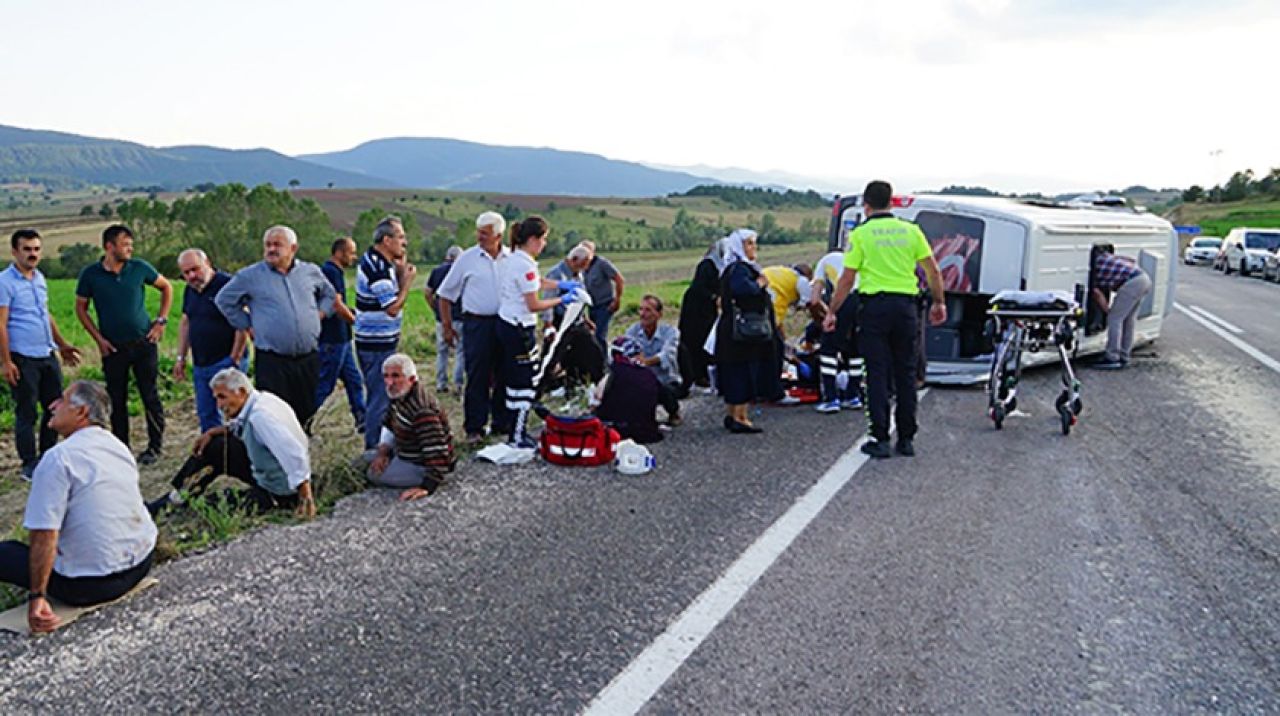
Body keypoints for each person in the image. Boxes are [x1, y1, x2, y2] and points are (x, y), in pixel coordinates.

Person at [0, 381, 156, 634]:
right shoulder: (118, 446)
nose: (52, 405)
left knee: (7, 552)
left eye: (61, 400)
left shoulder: (58, 458)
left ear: (82, 412)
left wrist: (37, 596)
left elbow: (44, 533)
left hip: (90, 586)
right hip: (140, 564)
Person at [825, 180, 946, 459]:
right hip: (906, 308)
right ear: (891, 202)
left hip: (874, 309)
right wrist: (939, 302)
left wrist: (833, 311)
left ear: (866, 206)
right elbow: (933, 270)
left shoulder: (862, 235)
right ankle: (906, 438)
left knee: (876, 373)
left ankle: (880, 437)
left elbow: (847, 278)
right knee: (905, 372)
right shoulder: (911, 231)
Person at [147, 368, 316, 518]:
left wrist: (305, 495)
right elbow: (241, 425)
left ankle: (177, 505)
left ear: (241, 392)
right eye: (216, 399)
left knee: (217, 504)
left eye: (222, 397)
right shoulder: (261, 400)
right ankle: (177, 497)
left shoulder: (261, 417)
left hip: (281, 489)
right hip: (269, 471)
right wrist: (213, 432)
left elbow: (292, 452)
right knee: (215, 446)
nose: (219, 405)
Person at [215, 225, 336, 429]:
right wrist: (248, 324)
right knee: (275, 414)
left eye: (277, 244)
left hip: (308, 358)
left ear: (293, 248)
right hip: (273, 361)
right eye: (268, 245)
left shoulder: (310, 271)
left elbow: (329, 295)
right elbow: (224, 300)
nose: (271, 249)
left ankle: (300, 450)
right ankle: (275, 455)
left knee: (306, 410)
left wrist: (321, 314)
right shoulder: (250, 276)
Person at [74, 224, 173, 464]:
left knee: (149, 395)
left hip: (144, 343)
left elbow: (166, 287)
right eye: (125, 244)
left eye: (131, 244)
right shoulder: (90, 275)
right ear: (109, 246)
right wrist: (99, 340)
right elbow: (81, 309)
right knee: (116, 400)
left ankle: (155, 446)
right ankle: (121, 449)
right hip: (113, 348)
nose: (130, 248)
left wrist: (161, 321)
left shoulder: (139, 268)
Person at [0, 229, 82, 479]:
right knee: (27, 412)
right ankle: (29, 464)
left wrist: (62, 345)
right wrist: (6, 362)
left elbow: (45, 315)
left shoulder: (39, 278)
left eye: (36, 249)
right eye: (27, 249)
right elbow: (0, 324)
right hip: (22, 357)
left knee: (54, 408)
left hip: (46, 353)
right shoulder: (5, 282)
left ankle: (48, 457)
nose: (32, 254)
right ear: (15, 252)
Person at [496, 216, 579, 448]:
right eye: (543, 240)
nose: (544, 245)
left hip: (507, 324)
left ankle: (513, 427)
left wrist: (559, 285)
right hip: (519, 327)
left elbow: (536, 283)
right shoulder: (524, 263)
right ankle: (517, 434)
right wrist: (562, 300)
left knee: (514, 378)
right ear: (532, 239)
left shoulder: (516, 259)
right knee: (523, 381)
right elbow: (533, 303)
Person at [436, 212, 512, 445]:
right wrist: (447, 327)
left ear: (498, 235)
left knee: (504, 373)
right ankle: (474, 427)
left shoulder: (513, 258)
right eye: (478, 232)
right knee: (477, 374)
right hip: (477, 324)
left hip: (505, 322)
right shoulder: (467, 259)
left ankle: (501, 422)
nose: (479, 237)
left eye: (485, 233)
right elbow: (445, 294)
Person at [354, 216, 417, 452]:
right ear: (387, 240)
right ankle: (373, 451)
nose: (405, 242)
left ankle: (383, 444)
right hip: (375, 345)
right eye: (400, 237)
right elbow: (391, 308)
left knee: (383, 397)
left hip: (379, 342)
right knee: (379, 400)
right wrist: (408, 282)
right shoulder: (377, 268)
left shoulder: (380, 262)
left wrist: (400, 272)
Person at [172, 248, 248, 434]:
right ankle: (215, 454)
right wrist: (181, 358)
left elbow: (242, 322)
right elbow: (186, 322)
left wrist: (234, 358)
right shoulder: (190, 291)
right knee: (206, 414)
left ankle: (239, 454)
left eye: (195, 269)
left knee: (234, 411)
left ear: (208, 264)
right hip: (201, 363)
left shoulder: (228, 285)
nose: (191, 276)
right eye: (186, 272)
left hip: (225, 360)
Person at [367, 354, 456, 501]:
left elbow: (437, 450)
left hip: (421, 465)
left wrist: (427, 487)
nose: (389, 382)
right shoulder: (399, 396)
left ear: (412, 379)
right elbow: (389, 424)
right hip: (404, 452)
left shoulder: (422, 410)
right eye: (386, 376)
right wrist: (383, 453)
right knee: (364, 460)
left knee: (372, 473)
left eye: (396, 376)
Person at [714, 229, 776, 434]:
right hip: (742, 332)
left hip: (732, 329)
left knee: (733, 371)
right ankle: (741, 417)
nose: (753, 248)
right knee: (742, 371)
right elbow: (744, 290)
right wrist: (760, 283)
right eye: (749, 243)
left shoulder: (729, 268)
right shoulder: (740, 269)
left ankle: (732, 414)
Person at [314, 237, 365, 432]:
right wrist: (354, 320)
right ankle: (303, 420)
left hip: (342, 339)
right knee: (324, 386)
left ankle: (362, 419)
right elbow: (335, 303)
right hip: (332, 339)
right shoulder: (330, 272)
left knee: (354, 381)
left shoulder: (334, 271)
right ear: (339, 253)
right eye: (351, 252)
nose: (354, 257)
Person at [811, 250, 864, 413]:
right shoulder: (853, 258)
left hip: (843, 299)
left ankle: (831, 398)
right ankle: (852, 396)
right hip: (863, 301)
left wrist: (827, 313)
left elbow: (814, 300)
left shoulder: (823, 262)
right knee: (856, 350)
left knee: (828, 349)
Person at [1089, 244, 1153, 370]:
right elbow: (1131, 260)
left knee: (1115, 319)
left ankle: (1112, 357)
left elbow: (1096, 293)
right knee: (1128, 320)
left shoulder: (1093, 269)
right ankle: (1124, 355)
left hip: (1132, 282)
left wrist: (1108, 311)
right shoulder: (1108, 257)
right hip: (1143, 278)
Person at [623, 294, 685, 420]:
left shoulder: (670, 332)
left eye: (648, 310)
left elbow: (667, 354)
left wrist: (646, 362)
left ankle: (674, 412)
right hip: (641, 378)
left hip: (666, 379)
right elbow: (627, 351)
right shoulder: (632, 331)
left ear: (659, 314)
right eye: (640, 309)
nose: (643, 314)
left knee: (663, 389)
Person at [594, 337, 665, 443]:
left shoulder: (611, 372)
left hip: (614, 429)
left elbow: (597, 397)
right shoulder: (648, 374)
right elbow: (665, 395)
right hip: (646, 431)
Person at [677, 240, 725, 390]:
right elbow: (699, 287)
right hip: (696, 308)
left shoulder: (719, 265)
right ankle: (697, 375)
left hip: (706, 308)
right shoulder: (707, 265)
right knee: (697, 339)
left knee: (706, 338)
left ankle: (704, 373)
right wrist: (713, 297)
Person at [423, 245, 466, 394]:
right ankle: (458, 384)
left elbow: (427, 293)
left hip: (442, 319)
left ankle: (441, 383)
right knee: (461, 351)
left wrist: (436, 308)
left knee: (442, 352)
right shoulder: (462, 271)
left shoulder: (437, 271)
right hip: (461, 317)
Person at [576, 241, 625, 344]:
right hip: (591, 307)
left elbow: (619, 279)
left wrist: (617, 300)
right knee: (592, 336)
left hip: (605, 305)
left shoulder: (602, 264)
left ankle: (604, 359)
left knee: (599, 336)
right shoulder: (581, 267)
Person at [761, 264, 815, 341]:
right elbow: (807, 300)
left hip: (759, 284)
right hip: (773, 294)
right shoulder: (801, 280)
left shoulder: (785, 272)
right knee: (774, 322)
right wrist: (799, 307)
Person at [541, 244, 589, 326]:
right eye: (583, 264)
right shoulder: (556, 274)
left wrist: (585, 319)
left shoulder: (578, 274)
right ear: (574, 259)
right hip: (560, 321)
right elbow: (548, 300)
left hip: (576, 320)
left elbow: (580, 298)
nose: (585, 268)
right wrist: (548, 325)